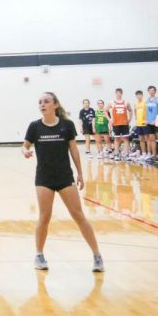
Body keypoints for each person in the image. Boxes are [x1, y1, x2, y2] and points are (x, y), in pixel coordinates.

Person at [22, 92, 104, 272]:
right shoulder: (35, 127)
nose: (42, 105)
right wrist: (25, 151)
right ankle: (39, 255)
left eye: (46, 101)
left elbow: (74, 151)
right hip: (44, 178)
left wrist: (80, 173)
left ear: (55, 105)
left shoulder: (67, 125)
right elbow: (25, 145)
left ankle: (97, 256)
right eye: (40, 102)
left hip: (65, 177)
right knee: (44, 217)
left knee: (79, 215)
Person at [108, 88, 131, 161]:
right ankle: (116, 154)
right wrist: (110, 119)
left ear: (121, 93)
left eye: (119, 93)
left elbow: (130, 110)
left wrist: (129, 119)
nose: (118, 94)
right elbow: (105, 110)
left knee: (126, 139)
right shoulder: (112, 102)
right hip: (116, 124)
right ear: (115, 93)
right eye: (117, 93)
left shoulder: (126, 102)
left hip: (124, 123)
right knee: (117, 139)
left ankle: (126, 154)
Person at [145, 86, 158, 161]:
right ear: (148, 91)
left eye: (153, 90)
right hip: (149, 122)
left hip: (157, 122)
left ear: (155, 91)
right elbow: (146, 111)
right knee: (152, 139)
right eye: (150, 90)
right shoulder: (147, 100)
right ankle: (154, 154)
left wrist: (155, 120)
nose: (151, 91)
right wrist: (146, 120)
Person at [132, 90, 150, 161]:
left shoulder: (145, 102)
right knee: (141, 139)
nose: (138, 96)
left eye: (140, 95)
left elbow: (148, 112)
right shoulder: (135, 103)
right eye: (137, 95)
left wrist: (146, 120)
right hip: (138, 124)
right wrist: (136, 120)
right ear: (136, 96)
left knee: (147, 139)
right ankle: (144, 153)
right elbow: (135, 112)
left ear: (142, 95)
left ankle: (149, 153)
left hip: (145, 123)